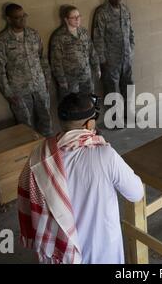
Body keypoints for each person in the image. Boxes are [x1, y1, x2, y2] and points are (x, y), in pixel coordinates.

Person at [18, 93, 144, 264]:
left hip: (59, 253)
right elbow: (136, 193)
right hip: (102, 250)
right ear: (90, 124)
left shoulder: (40, 155)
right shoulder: (105, 155)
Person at [0, 3, 53, 137]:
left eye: (24, 16)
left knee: (46, 118)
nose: (22, 19)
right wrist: (8, 92)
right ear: (8, 19)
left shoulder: (33, 34)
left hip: (40, 85)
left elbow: (42, 58)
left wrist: (47, 80)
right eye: (17, 17)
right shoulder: (2, 41)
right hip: (19, 90)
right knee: (25, 124)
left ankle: (47, 149)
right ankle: (30, 151)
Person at [93, 0, 135, 112]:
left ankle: (129, 112)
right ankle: (116, 119)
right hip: (111, 60)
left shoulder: (125, 9)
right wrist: (102, 59)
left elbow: (130, 31)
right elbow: (98, 37)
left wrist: (131, 48)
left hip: (126, 58)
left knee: (128, 87)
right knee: (113, 90)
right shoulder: (102, 13)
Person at [50, 5, 101, 98]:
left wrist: (97, 67)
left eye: (79, 16)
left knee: (90, 103)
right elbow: (56, 62)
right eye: (74, 17)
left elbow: (92, 51)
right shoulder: (59, 37)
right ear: (66, 19)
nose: (77, 19)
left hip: (86, 77)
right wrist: (62, 80)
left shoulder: (84, 32)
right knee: (74, 107)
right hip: (71, 81)